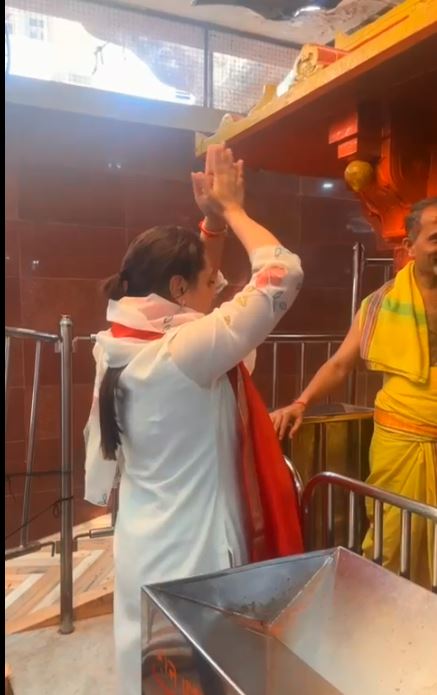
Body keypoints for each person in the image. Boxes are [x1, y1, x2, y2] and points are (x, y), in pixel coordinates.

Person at [84, 145, 304, 694]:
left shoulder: (118, 344)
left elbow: (198, 302)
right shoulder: (183, 354)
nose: (219, 292)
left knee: (150, 673)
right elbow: (282, 274)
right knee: (196, 680)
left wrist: (210, 228)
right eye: (211, 283)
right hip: (195, 559)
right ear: (179, 290)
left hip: (144, 545)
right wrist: (233, 210)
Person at [270, 197, 437, 588]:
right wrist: (301, 402)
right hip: (401, 438)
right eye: (435, 238)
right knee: (392, 540)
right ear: (409, 246)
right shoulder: (380, 304)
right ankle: (384, 609)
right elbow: (341, 365)